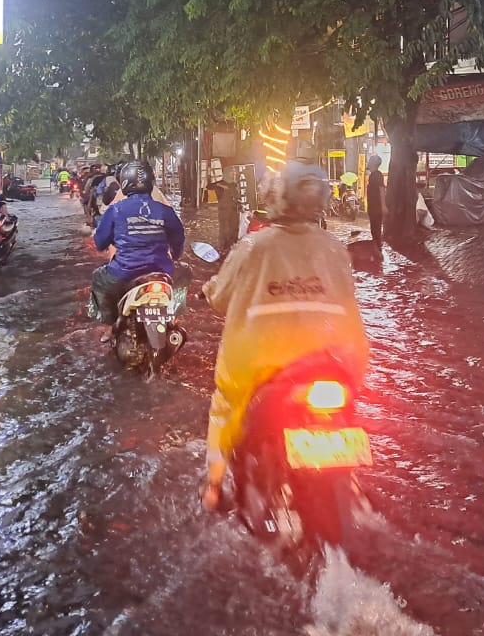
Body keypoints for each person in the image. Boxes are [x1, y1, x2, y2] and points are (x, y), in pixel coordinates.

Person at [200, 161, 371, 511]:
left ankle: (214, 487)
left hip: (261, 368)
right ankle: (350, 483)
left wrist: (208, 289)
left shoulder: (253, 247)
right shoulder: (334, 248)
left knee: (225, 407)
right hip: (332, 364)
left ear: (278, 198)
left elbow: (220, 297)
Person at [90, 160, 186, 326]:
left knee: (98, 278)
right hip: (162, 271)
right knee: (185, 273)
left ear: (125, 182)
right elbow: (178, 238)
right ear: (151, 182)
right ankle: (175, 316)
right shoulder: (165, 209)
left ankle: (108, 325)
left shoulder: (116, 209)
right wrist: (175, 257)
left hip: (124, 272)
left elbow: (100, 242)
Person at [365, 155, 386, 246]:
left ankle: (378, 249)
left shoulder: (377, 175)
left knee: (376, 229)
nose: (368, 162)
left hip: (376, 207)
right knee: (374, 229)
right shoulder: (373, 175)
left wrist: (383, 206)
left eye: (369, 161)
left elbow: (381, 190)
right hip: (373, 207)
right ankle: (377, 248)